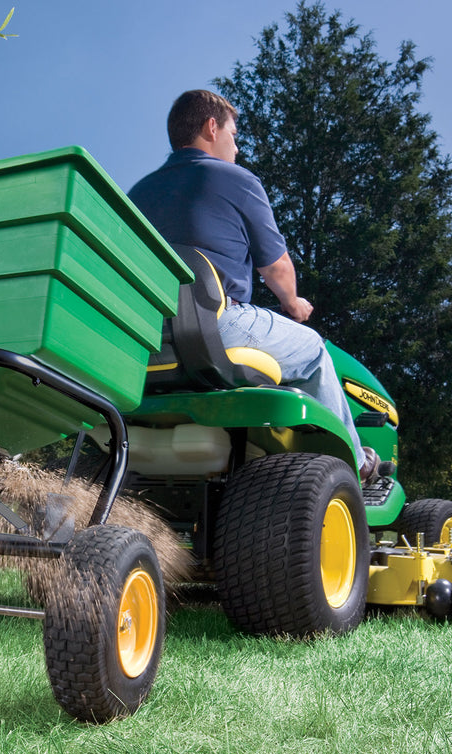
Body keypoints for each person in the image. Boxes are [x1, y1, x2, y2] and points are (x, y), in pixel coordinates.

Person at [128, 88, 382, 482]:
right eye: (233, 134)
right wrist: (294, 303)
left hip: (144, 338)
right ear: (211, 127)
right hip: (212, 325)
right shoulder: (234, 179)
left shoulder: (138, 193)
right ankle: (355, 463)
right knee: (313, 351)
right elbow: (276, 266)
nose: (237, 147)